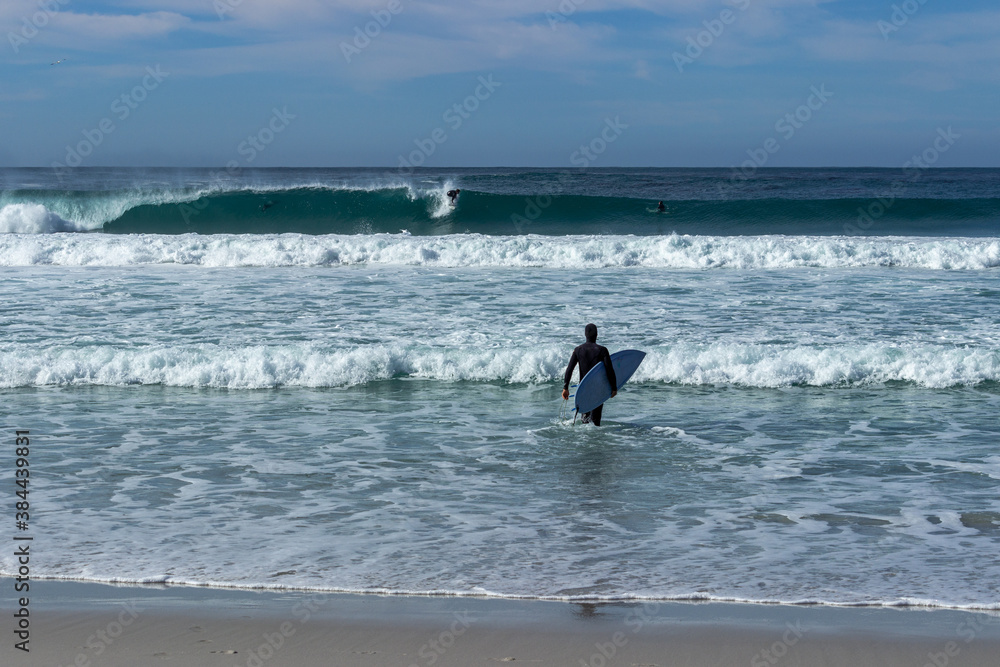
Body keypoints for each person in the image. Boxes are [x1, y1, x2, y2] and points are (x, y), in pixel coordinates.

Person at [562, 323, 617, 426]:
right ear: (597, 335)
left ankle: (584, 440)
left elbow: (569, 369)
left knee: (585, 421)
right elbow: (610, 370)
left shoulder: (578, 350)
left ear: (585, 335)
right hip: (597, 389)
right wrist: (614, 387)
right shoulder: (602, 350)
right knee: (596, 422)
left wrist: (565, 387)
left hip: (583, 388)